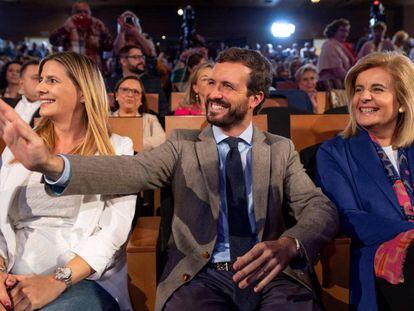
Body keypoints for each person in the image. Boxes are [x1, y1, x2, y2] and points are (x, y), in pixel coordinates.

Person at [0, 47, 339, 311]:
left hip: (272, 273)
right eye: (212, 84)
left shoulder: (280, 149)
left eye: (227, 87)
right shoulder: (181, 146)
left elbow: (317, 207)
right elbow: (126, 172)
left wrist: (288, 244)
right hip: (202, 276)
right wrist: (52, 164)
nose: (214, 93)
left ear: (255, 99)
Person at [0, 52, 135, 310]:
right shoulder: (19, 146)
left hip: (79, 279)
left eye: (52, 80)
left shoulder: (118, 148)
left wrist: (54, 282)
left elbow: (112, 233)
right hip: (13, 274)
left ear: (83, 93)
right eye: (40, 80)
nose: (40, 88)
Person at [316, 52, 414, 311]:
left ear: (403, 102)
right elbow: (349, 217)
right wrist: (408, 234)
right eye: (358, 89)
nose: (364, 97)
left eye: (377, 89)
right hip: (380, 254)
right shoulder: (334, 152)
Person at [49, 1, 113, 72]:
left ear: (90, 14)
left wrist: (104, 31)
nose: (83, 14)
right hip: (73, 70)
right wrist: (64, 29)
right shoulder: (68, 27)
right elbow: (53, 41)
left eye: (86, 12)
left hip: (93, 70)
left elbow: (109, 47)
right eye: (79, 12)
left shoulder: (97, 26)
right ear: (73, 14)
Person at [107, 45, 168, 116]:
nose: (142, 60)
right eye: (136, 57)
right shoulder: (110, 84)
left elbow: (164, 111)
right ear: (123, 61)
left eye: (142, 57)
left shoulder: (154, 83)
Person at [112, 76, 165, 150]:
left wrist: (128, 145)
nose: (130, 95)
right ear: (116, 95)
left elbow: (161, 141)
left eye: (136, 92)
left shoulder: (150, 119)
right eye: (125, 90)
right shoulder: (105, 119)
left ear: (141, 100)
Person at [317, 18, 355, 89]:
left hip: (338, 82)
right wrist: (352, 78)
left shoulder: (338, 45)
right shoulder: (330, 45)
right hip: (331, 84)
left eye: (347, 31)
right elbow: (336, 70)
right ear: (333, 31)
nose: (345, 34)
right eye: (342, 31)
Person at [13, 60, 41, 127]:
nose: (41, 82)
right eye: (36, 78)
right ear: (21, 83)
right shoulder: (5, 104)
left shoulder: (53, 112)